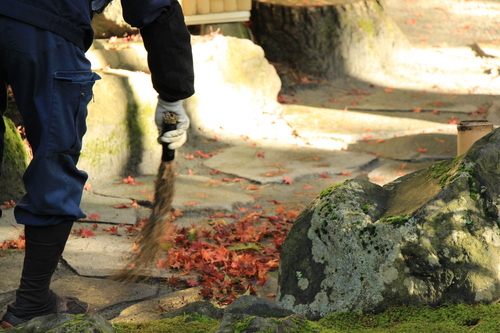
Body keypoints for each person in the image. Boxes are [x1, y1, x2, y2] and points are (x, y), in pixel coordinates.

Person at [0, 0, 194, 328]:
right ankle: (32, 300)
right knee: (54, 157)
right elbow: (156, 6)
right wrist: (173, 96)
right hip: (48, 23)